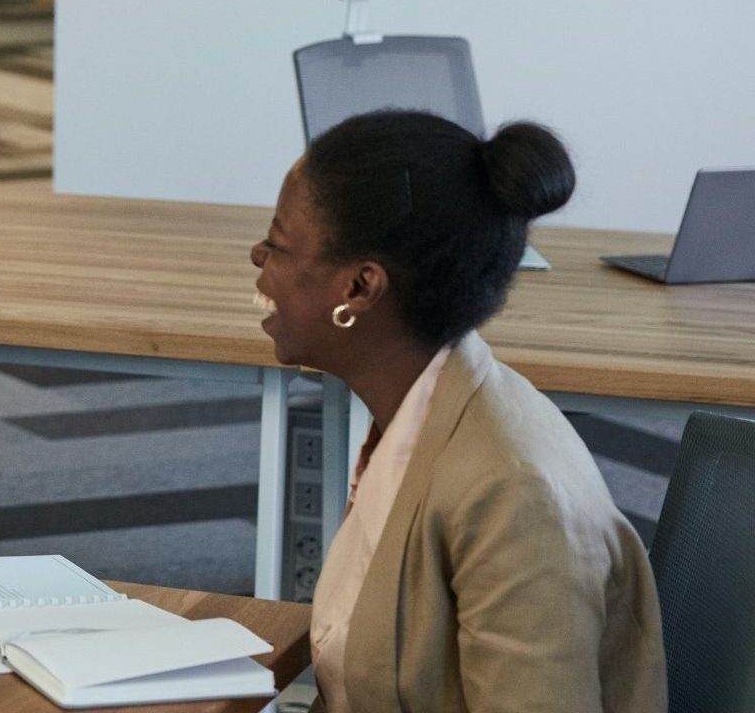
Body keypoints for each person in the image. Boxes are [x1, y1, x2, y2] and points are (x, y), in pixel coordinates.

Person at [249, 111, 663, 712]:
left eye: (280, 246)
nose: (257, 257)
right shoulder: (419, 412)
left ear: (359, 289)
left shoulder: (511, 497)